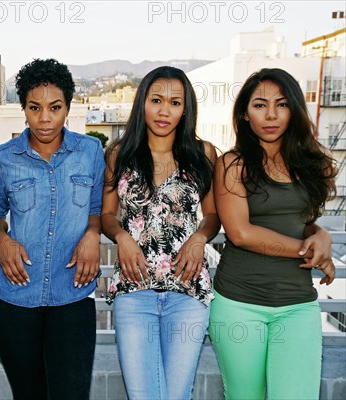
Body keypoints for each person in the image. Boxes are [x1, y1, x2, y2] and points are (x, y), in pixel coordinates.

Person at [211, 68, 337, 400]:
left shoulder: (313, 164)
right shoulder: (232, 164)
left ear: (294, 109)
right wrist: (309, 250)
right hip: (239, 304)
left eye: (281, 104)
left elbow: (301, 220)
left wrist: (321, 235)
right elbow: (240, 233)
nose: (270, 115)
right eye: (259, 105)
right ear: (244, 113)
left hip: (298, 305)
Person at [0, 58, 105, 400]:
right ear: (23, 108)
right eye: (35, 108)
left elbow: (96, 209)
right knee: (29, 394)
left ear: (68, 107)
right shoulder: (3, 157)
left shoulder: (91, 151)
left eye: (55, 107)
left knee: (71, 393)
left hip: (73, 293)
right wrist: (3, 241)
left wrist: (92, 234)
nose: (45, 118)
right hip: (14, 297)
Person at [102, 66, 220, 400]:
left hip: (187, 290)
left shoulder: (203, 154)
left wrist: (199, 238)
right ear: (142, 104)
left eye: (174, 102)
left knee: (176, 394)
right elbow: (107, 215)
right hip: (134, 290)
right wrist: (122, 237)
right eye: (156, 100)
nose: (164, 110)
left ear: (186, 109)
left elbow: (212, 216)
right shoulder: (118, 153)